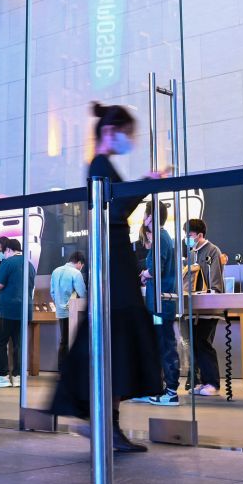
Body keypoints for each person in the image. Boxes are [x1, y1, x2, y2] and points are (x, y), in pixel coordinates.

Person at [51, 103, 165, 453]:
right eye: (127, 133)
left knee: (115, 339)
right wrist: (147, 183)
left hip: (113, 256)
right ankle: (102, 422)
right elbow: (114, 210)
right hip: (112, 258)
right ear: (110, 131)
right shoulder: (99, 164)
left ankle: (106, 424)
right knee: (115, 336)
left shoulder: (103, 163)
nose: (130, 140)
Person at [134, 201, 180, 405]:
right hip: (159, 304)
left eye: (146, 215)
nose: (144, 220)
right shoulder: (162, 237)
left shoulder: (161, 237)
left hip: (161, 305)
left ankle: (170, 392)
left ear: (152, 216)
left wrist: (145, 273)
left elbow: (156, 270)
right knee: (161, 344)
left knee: (165, 345)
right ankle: (161, 389)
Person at [183, 217, 225, 396]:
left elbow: (215, 277)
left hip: (209, 306)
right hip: (194, 307)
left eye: (189, 234)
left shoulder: (212, 251)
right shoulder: (191, 253)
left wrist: (214, 295)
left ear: (199, 235)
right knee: (195, 344)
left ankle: (213, 383)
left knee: (203, 342)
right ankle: (203, 381)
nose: (187, 237)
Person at [0, 237, 34, 387]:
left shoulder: (7, 263)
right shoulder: (30, 264)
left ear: (8, 250)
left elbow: (0, 285)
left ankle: (2, 376)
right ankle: (17, 377)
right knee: (19, 344)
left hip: (6, 309)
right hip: (25, 309)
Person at [50, 250, 87, 368]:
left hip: (60, 311)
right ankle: (71, 368)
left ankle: (61, 367)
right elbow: (82, 293)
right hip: (74, 311)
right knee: (73, 340)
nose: (81, 268)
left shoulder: (55, 271)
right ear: (79, 263)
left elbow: (52, 292)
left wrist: (59, 304)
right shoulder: (76, 273)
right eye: (82, 266)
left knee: (64, 340)